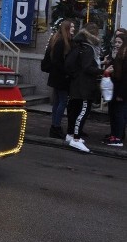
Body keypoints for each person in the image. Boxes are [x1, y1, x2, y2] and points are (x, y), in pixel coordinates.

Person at [64, 23, 103, 153]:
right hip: (84, 85)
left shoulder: (79, 45)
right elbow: (87, 67)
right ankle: (76, 138)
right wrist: (101, 71)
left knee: (74, 111)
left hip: (76, 83)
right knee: (83, 111)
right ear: (94, 35)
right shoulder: (88, 48)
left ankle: (70, 135)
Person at [44, 19, 75, 139]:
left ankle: (55, 127)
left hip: (57, 77)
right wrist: (67, 72)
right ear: (66, 28)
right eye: (71, 27)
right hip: (60, 77)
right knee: (62, 102)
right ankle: (56, 127)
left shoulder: (60, 40)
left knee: (58, 102)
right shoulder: (62, 41)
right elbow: (57, 61)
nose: (73, 29)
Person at [102, 32, 126, 147]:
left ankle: (118, 138)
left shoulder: (125, 56)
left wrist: (121, 94)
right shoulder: (116, 55)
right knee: (114, 114)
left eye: (119, 42)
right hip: (114, 89)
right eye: (115, 42)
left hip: (121, 91)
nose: (116, 44)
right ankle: (114, 135)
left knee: (119, 114)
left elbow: (124, 77)